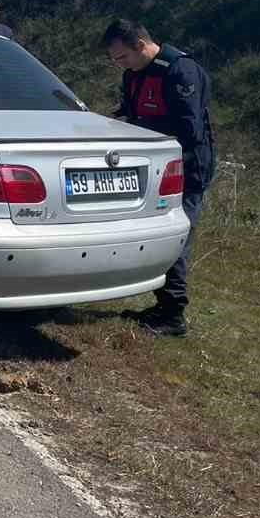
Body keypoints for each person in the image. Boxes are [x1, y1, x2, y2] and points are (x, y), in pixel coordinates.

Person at [102, 18, 216, 337]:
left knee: (174, 236)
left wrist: (138, 126)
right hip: (150, 167)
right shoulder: (134, 74)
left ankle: (173, 314)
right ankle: (161, 304)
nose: (120, 65)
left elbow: (188, 129)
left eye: (122, 57)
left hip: (187, 169)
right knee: (151, 235)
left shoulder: (180, 71)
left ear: (141, 45)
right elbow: (129, 110)